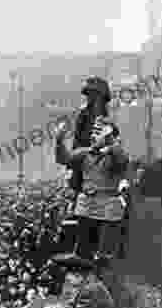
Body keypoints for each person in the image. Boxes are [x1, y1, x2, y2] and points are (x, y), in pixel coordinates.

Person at [55, 79, 129, 261]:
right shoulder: (84, 139)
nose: (94, 133)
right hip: (88, 195)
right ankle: (82, 253)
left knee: (107, 225)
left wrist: (109, 141)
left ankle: (104, 253)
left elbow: (121, 159)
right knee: (84, 216)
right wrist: (59, 141)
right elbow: (66, 158)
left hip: (107, 198)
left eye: (94, 95)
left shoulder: (111, 145)